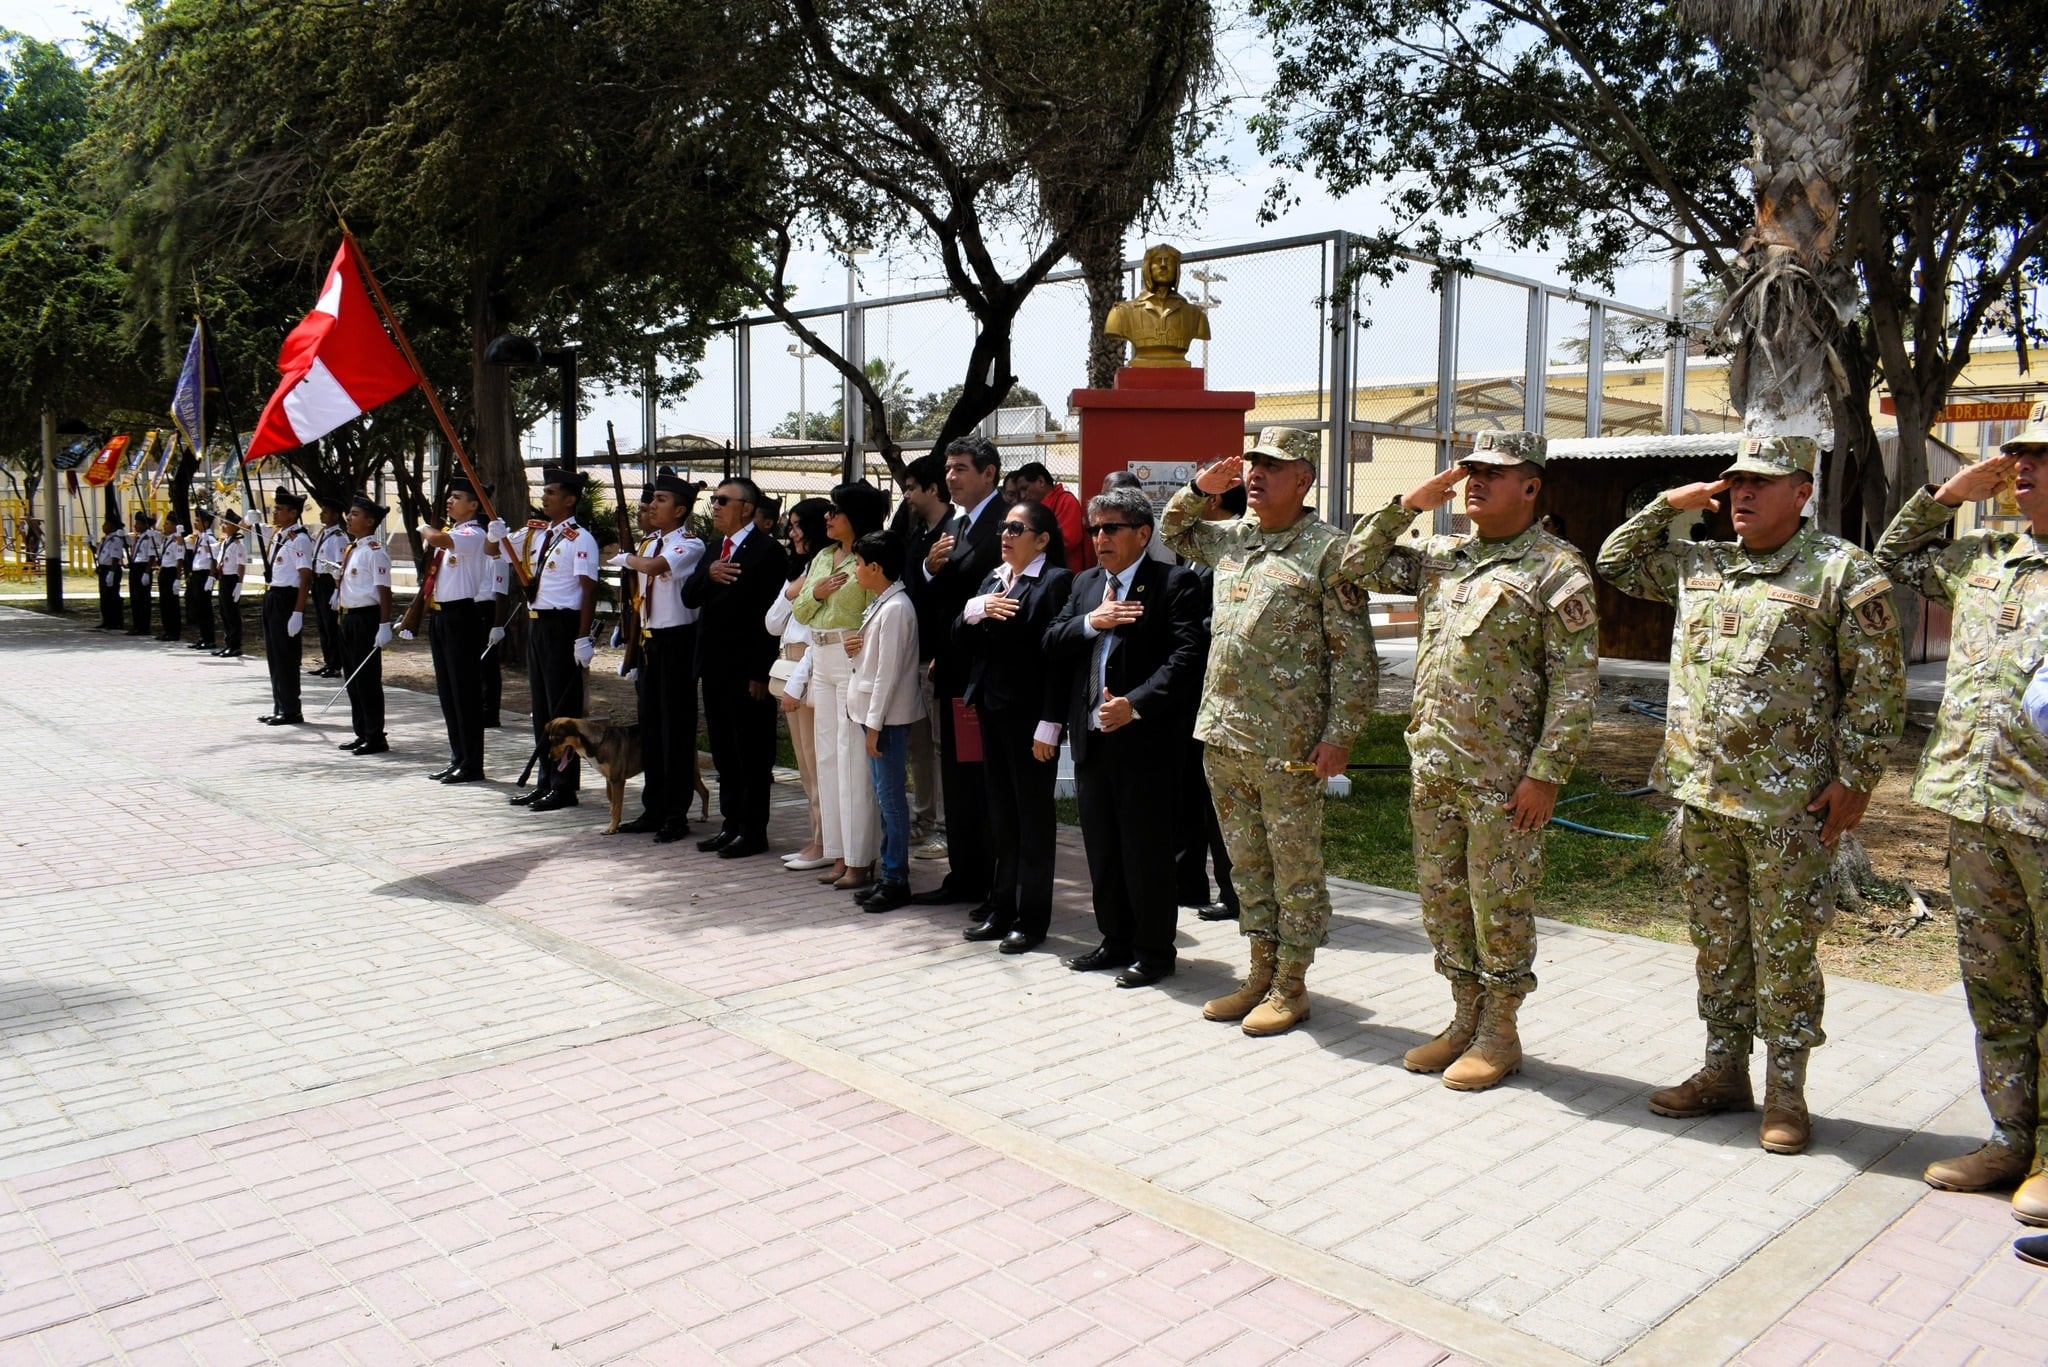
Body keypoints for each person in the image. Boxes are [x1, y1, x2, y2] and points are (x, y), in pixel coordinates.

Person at [1599, 433, 1904, 1154]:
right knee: (1718, 943)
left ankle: (1787, 1092)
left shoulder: (1841, 571)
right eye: (1736, 480)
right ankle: (1723, 1072)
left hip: (1789, 806)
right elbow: (1615, 562)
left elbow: (1878, 686)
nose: (1743, 492)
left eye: (1761, 482)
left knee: (1786, 949)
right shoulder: (1702, 564)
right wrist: (1668, 505)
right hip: (1703, 796)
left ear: (1802, 492)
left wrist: (1857, 779)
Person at [1343, 430, 1600, 1090]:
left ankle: (1500, 1031)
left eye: (1493, 471)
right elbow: (1355, 564)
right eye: (1471, 470)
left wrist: (1546, 774)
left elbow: (1574, 684)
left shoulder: (1555, 570)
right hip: (1435, 768)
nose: (1475, 481)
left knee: (1499, 904)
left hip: (1504, 780)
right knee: (1443, 900)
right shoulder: (1443, 556)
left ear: (1531, 487)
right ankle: (1464, 1016)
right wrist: (1408, 504)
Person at [1875, 408, 2048, 1221]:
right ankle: (2010, 1138)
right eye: (2019, 454)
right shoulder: (1986, 558)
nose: (2023, 467)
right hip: (1974, 807)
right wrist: (1948, 495)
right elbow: (1893, 555)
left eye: (2042, 457)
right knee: (1996, 982)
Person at [1162, 426, 1378, 1036]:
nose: (1255, 474)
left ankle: (1292, 984)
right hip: (1224, 733)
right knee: (1247, 866)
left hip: (1289, 743)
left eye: (1271, 466)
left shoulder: (1330, 551)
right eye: (1252, 463)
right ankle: (1260, 972)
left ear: (1304, 479)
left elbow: (1354, 657)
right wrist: (1199, 489)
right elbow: (1173, 531)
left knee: (1294, 867)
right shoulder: (1235, 538)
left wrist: (1340, 735)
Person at [1044, 486, 1206, 987]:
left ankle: (1154, 952)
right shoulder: (1086, 584)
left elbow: (1186, 659)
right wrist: (1091, 622)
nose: (1100, 538)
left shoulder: (1174, 582)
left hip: (1145, 743)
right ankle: (1114, 939)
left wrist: (1133, 704)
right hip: (1092, 740)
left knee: (1146, 851)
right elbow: (1052, 640)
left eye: (1111, 528)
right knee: (1103, 849)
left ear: (1142, 533)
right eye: (1094, 529)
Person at [956, 499, 1074, 952]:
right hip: (992, 708)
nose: (1005, 535)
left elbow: (1057, 659)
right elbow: (959, 637)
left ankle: (1032, 917)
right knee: (1002, 814)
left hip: (1030, 717)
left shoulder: (1055, 582)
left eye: (1016, 529)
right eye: (1004, 527)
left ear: (1042, 540)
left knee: (1033, 818)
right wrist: (975, 609)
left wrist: (1050, 721)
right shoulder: (993, 579)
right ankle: (1001, 906)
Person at [911, 437, 1010, 909]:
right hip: (953, 669)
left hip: (989, 673)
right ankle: (964, 874)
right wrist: (929, 570)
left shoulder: (1008, 523)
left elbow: (1000, 593)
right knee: (958, 775)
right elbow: (938, 591)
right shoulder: (953, 522)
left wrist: (942, 576)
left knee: (986, 781)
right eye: (948, 468)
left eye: (961, 468)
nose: (951, 477)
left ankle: (994, 882)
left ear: (989, 473)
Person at [682, 476, 788, 857]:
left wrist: (761, 672)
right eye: (714, 500)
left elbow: (770, 618)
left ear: (746, 508)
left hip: (747, 671)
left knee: (751, 752)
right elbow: (689, 596)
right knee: (724, 750)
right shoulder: (715, 549)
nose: (715, 506)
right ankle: (730, 823)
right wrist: (708, 574)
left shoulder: (767, 551)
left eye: (723, 500)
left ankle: (753, 830)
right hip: (714, 667)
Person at [795, 481, 890, 891]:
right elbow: (801, 610)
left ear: (856, 515)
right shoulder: (822, 556)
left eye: (836, 510)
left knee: (853, 761)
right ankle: (837, 852)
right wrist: (816, 593)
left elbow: (877, 606)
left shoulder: (870, 555)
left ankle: (860, 858)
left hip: (852, 656)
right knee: (828, 760)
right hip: (820, 657)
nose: (828, 517)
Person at [614, 471, 706, 842]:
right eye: (652, 499)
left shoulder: (688, 544)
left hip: (677, 642)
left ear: (680, 510)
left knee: (675, 730)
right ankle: (653, 807)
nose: (652, 505)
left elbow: (654, 569)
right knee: (651, 728)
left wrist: (626, 557)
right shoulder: (649, 542)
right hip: (650, 642)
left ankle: (675, 812)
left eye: (661, 500)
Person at [502, 467, 599, 812]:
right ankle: (545, 781)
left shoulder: (580, 539)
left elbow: (588, 591)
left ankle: (564, 786)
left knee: (563, 711)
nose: (544, 497)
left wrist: (582, 637)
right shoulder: (536, 533)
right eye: (544, 491)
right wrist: (497, 534)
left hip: (563, 626)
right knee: (542, 709)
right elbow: (493, 551)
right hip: (538, 625)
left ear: (570, 500)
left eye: (552, 492)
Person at [845, 529, 926, 913]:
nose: (855, 570)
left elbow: (887, 675)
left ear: (876, 567)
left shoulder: (895, 608)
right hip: (877, 717)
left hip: (886, 720)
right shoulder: (885, 602)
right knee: (884, 797)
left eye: (859, 564)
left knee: (891, 800)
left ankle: (896, 879)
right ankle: (889, 874)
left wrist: (874, 726)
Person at [1177, 483, 1244, 921]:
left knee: (1219, 796)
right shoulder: (1204, 545)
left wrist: (1184, 628)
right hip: (1193, 689)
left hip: (1218, 688)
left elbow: (1223, 616)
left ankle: (1234, 892)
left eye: (1202, 492)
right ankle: (1189, 882)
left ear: (1216, 501)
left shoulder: (1235, 546)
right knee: (1192, 791)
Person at [892, 453, 954, 858]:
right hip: (914, 654)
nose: (908, 496)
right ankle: (925, 819)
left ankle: (947, 827)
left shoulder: (955, 532)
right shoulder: (918, 535)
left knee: (941, 744)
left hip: (938, 656)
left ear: (933, 489)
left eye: (913, 488)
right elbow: (911, 586)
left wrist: (945, 651)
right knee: (918, 745)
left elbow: (952, 599)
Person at [416, 475, 493, 783]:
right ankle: (458, 756)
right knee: (448, 692)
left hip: (462, 616)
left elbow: (437, 539)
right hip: (442, 617)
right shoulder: (454, 532)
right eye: (450, 496)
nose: (450, 501)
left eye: (457, 497)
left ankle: (472, 763)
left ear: (473, 505)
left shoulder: (473, 533)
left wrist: (424, 527)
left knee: (465, 693)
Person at [772, 499, 833, 869]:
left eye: (798, 526)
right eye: (790, 526)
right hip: (789, 660)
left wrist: (803, 592)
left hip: (811, 663)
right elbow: (771, 622)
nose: (792, 533)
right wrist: (793, 590)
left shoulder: (827, 567)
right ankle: (817, 838)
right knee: (804, 760)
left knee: (816, 756)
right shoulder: (802, 570)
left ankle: (825, 842)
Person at [333, 494, 394, 755]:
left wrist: (384, 624)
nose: (348, 518)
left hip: (365, 619)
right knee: (352, 678)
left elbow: (384, 592)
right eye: (350, 513)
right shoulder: (353, 549)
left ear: (369, 522)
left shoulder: (374, 552)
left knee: (367, 679)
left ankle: (375, 736)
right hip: (347, 617)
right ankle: (361, 731)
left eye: (355, 514)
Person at [258, 488, 313, 725]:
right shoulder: (281, 535)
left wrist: (298, 612)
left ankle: (291, 709)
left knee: (286, 656)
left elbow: (305, 577)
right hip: (273, 596)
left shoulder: (299, 539)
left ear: (293, 513)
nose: (274, 512)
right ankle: (279, 705)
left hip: (287, 599)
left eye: (279, 509)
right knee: (274, 655)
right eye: (275, 508)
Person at [1009, 461, 1091, 571]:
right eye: (1020, 492)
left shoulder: (1066, 501)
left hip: (1065, 572)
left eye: (1025, 488)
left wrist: (1028, 548)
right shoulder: (1033, 508)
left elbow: (1068, 541)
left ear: (1041, 481)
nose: (1022, 496)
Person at [309, 499, 348, 677]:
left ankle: (335, 664)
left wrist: (337, 590)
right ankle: (328, 661)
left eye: (325, 512)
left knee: (331, 624)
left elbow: (339, 566)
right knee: (322, 624)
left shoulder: (338, 538)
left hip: (329, 582)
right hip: (318, 581)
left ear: (335, 515)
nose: (321, 514)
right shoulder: (323, 533)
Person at [213, 509, 248, 657]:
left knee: (232, 613)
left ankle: (235, 645)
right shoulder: (225, 542)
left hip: (232, 579)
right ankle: (227, 643)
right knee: (224, 611)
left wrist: (239, 584)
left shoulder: (238, 544)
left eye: (226, 524)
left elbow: (241, 565)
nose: (223, 526)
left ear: (234, 526)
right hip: (224, 579)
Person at [124, 512, 163, 637]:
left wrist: (147, 572)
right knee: (135, 597)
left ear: (145, 525)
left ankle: (144, 627)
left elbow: (152, 556)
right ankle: (137, 625)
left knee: (143, 599)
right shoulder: (139, 537)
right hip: (135, 567)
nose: (135, 526)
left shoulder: (150, 536)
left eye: (138, 523)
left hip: (143, 567)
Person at [184, 509, 217, 651]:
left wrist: (211, 577)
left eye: (198, 520)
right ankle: (203, 637)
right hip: (197, 574)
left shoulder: (209, 539)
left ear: (206, 523)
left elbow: (213, 560)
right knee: (199, 607)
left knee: (205, 608)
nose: (195, 523)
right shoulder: (199, 537)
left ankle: (209, 639)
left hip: (204, 574)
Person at [153, 519, 186, 642]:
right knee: (164, 603)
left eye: (167, 523)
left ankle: (174, 632)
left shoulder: (177, 540)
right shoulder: (166, 539)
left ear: (174, 526)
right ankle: (167, 630)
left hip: (172, 572)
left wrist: (177, 579)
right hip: (164, 571)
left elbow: (179, 560)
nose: (164, 526)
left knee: (172, 604)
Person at [93, 514, 127, 631]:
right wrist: (91, 546)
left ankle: (115, 621)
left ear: (112, 526)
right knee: (104, 596)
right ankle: (106, 620)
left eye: (106, 524)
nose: (103, 526)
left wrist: (111, 573)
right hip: (103, 568)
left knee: (112, 596)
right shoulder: (106, 539)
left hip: (111, 569)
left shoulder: (115, 539)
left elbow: (115, 557)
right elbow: (101, 554)